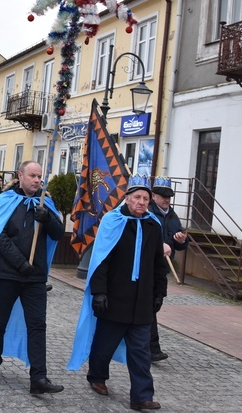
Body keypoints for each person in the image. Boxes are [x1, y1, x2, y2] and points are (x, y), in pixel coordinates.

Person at [69, 175, 167, 411]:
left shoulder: (154, 225)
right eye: (137, 198)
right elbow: (102, 260)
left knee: (141, 352)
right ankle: (97, 376)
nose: (142, 202)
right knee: (105, 343)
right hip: (114, 297)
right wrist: (99, 293)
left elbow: (158, 264)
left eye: (145, 198)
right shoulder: (113, 222)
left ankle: (142, 396)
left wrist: (159, 293)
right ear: (127, 199)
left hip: (142, 300)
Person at [0, 161, 65, 395]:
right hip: (7, 274)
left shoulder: (46, 202)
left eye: (39, 176)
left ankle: (39, 378)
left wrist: (48, 219)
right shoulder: (6, 200)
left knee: (37, 325)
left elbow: (58, 234)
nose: (36, 180)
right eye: (32, 175)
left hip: (35, 277)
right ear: (20, 176)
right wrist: (20, 263)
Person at [148, 177, 188, 362]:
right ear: (153, 196)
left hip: (162, 269)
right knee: (148, 308)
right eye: (163, 197)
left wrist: (181, 240)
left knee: (154, 305)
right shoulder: (147, 212)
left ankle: (146, 345)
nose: (166, 200)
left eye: (169, 198)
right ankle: (152, 349)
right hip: (145, 267)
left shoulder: (172, 216)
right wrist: (158, 245)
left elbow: (179, 243)